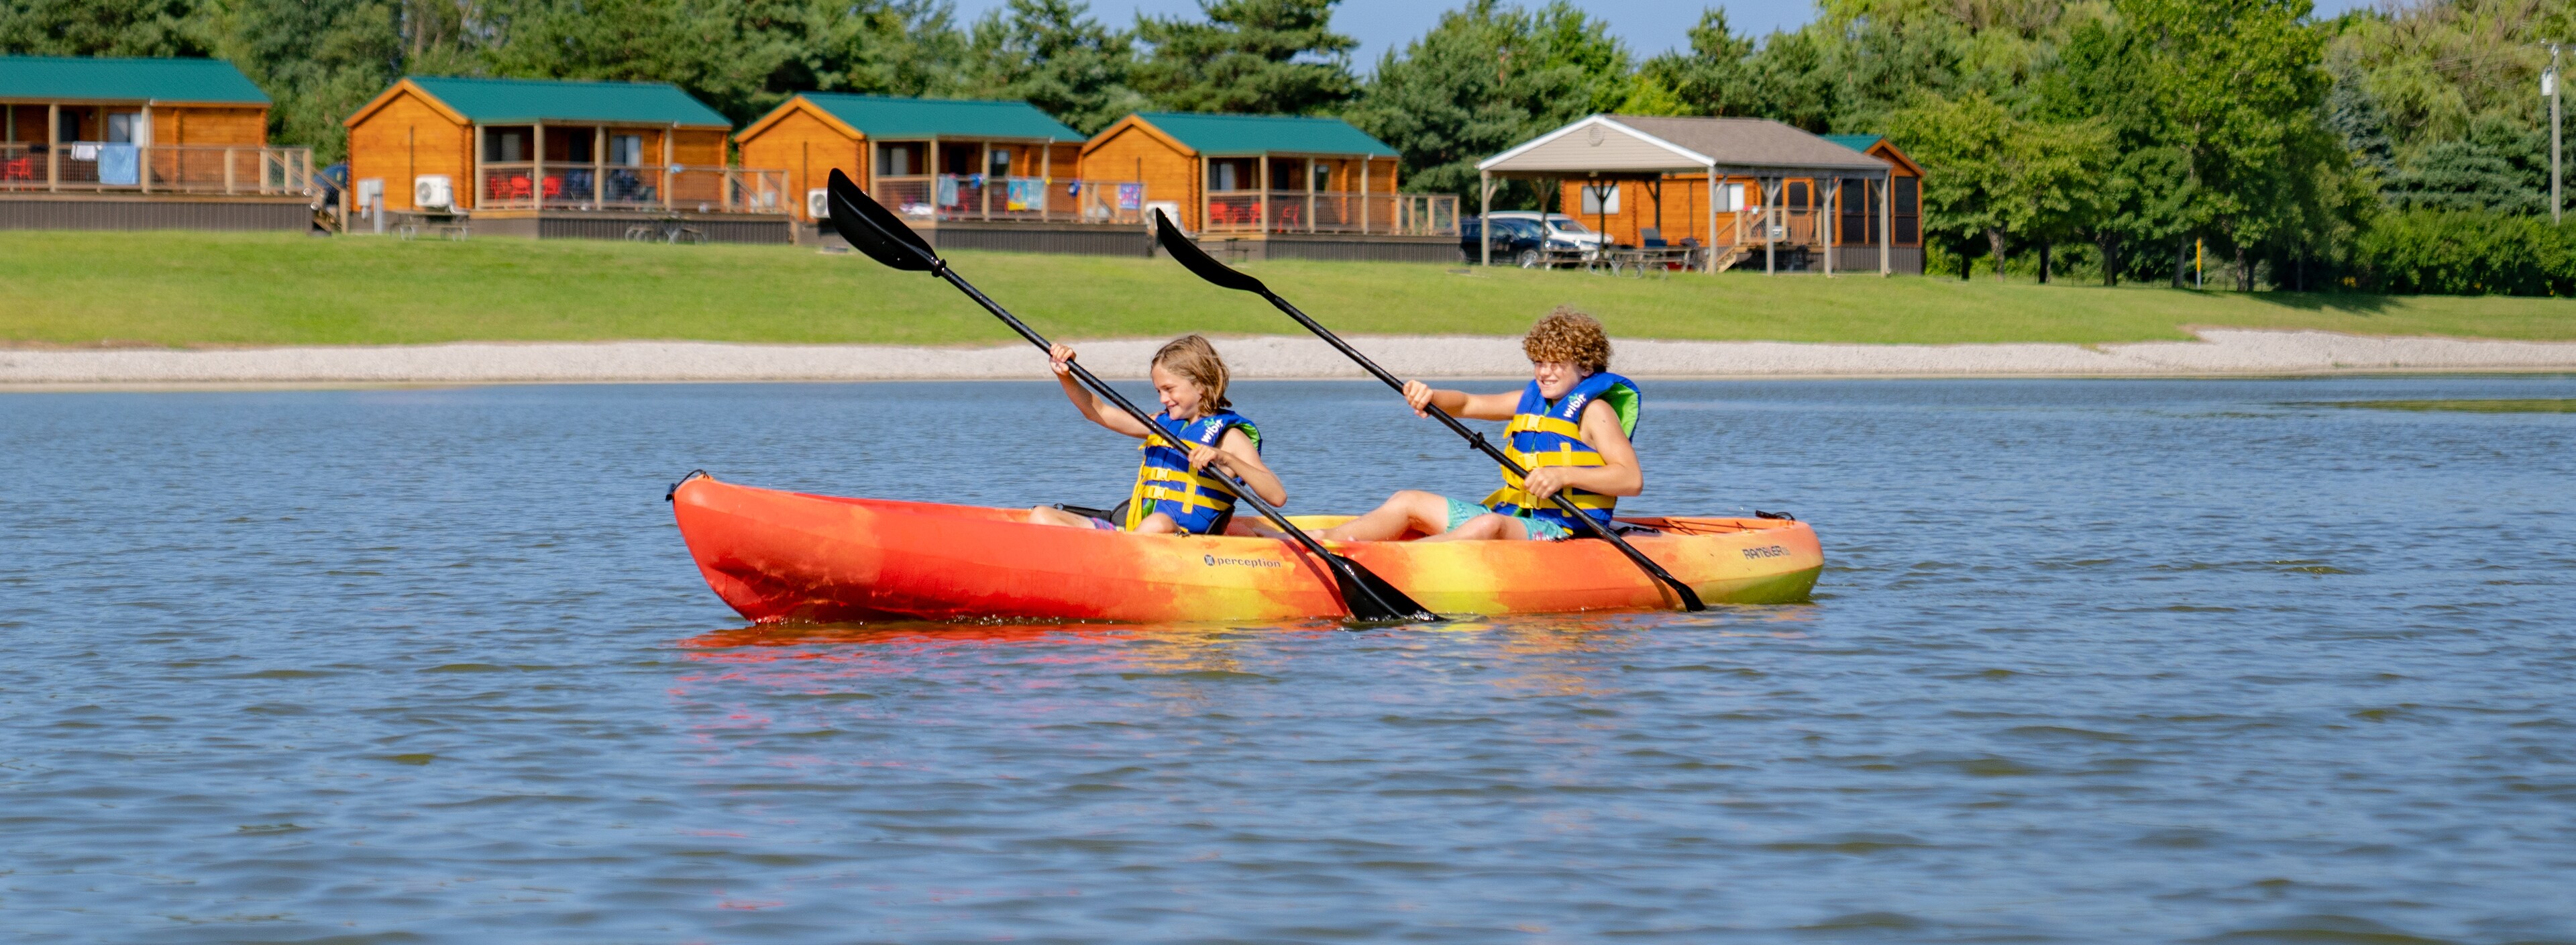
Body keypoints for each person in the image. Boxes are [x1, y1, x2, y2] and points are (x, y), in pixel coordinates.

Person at [1318, 307, 1641, 543]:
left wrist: (1564, 474)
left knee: (1488, 527)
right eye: (1539, 362)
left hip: (1562, 530)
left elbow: (1631, 479)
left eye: (1556, 363)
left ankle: (1399, 563)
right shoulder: (1530, 401)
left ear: (1585, 367)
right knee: (1407, 501)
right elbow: (1469, 403)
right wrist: (1432, 396)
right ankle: (1324, 541)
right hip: (1515, 516)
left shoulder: (1596, 411)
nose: (1544, 372)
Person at [1026, 334, 1286, 535]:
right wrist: (1065, 375)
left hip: (1184, 543)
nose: (1163, 399)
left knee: (1158, 523)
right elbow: (1098, 412)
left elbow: (1277, 496)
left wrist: (1226, 459)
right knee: (1042, 516)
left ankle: (1115, 567)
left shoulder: (1229, 438)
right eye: (1158, 391)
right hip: (1134, 536)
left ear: (1201, 386)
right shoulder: (1159, 425)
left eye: (1169, 389)